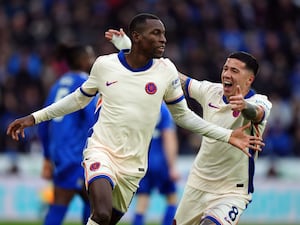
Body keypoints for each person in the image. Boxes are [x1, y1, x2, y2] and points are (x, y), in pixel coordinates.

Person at [7, 13, 263, 225]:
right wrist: (34, 118)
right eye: (156, 34)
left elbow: (184, 116)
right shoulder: (105, 65)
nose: (163, 39)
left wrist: (228, 135)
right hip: (101, 151)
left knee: (105, 220)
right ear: (138, 37)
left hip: (133, 167)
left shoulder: (165, 71)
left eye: (163, 34)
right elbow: (77, 99)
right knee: (102, 212)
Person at [107, 31, 272, 225]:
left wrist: (244, 106)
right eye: (226, 68)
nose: (226, 74)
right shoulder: (211, 91)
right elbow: (171, 75)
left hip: (231, 191)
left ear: (249, 80)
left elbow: (258, 113)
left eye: (234, 71)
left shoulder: (259, 101)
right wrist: (130, 48)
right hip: (197, 184)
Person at [38, 43, 96, 225]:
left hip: (60, 155)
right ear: (81, 60)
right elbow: (93, 120)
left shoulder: (58, 84)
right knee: (95, 204)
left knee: (79, 202)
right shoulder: (85, 83)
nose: (93, 60)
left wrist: (47, 156)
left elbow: (42, 123)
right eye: (90, 56)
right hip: (78, 154)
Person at [132, 103, 179, 225]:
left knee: (142, 201)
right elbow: (169, 137)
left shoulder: (139, 107)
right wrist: (172, 167)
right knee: (172, 199)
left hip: (142, 161)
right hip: (161, 161)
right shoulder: (162, 108)